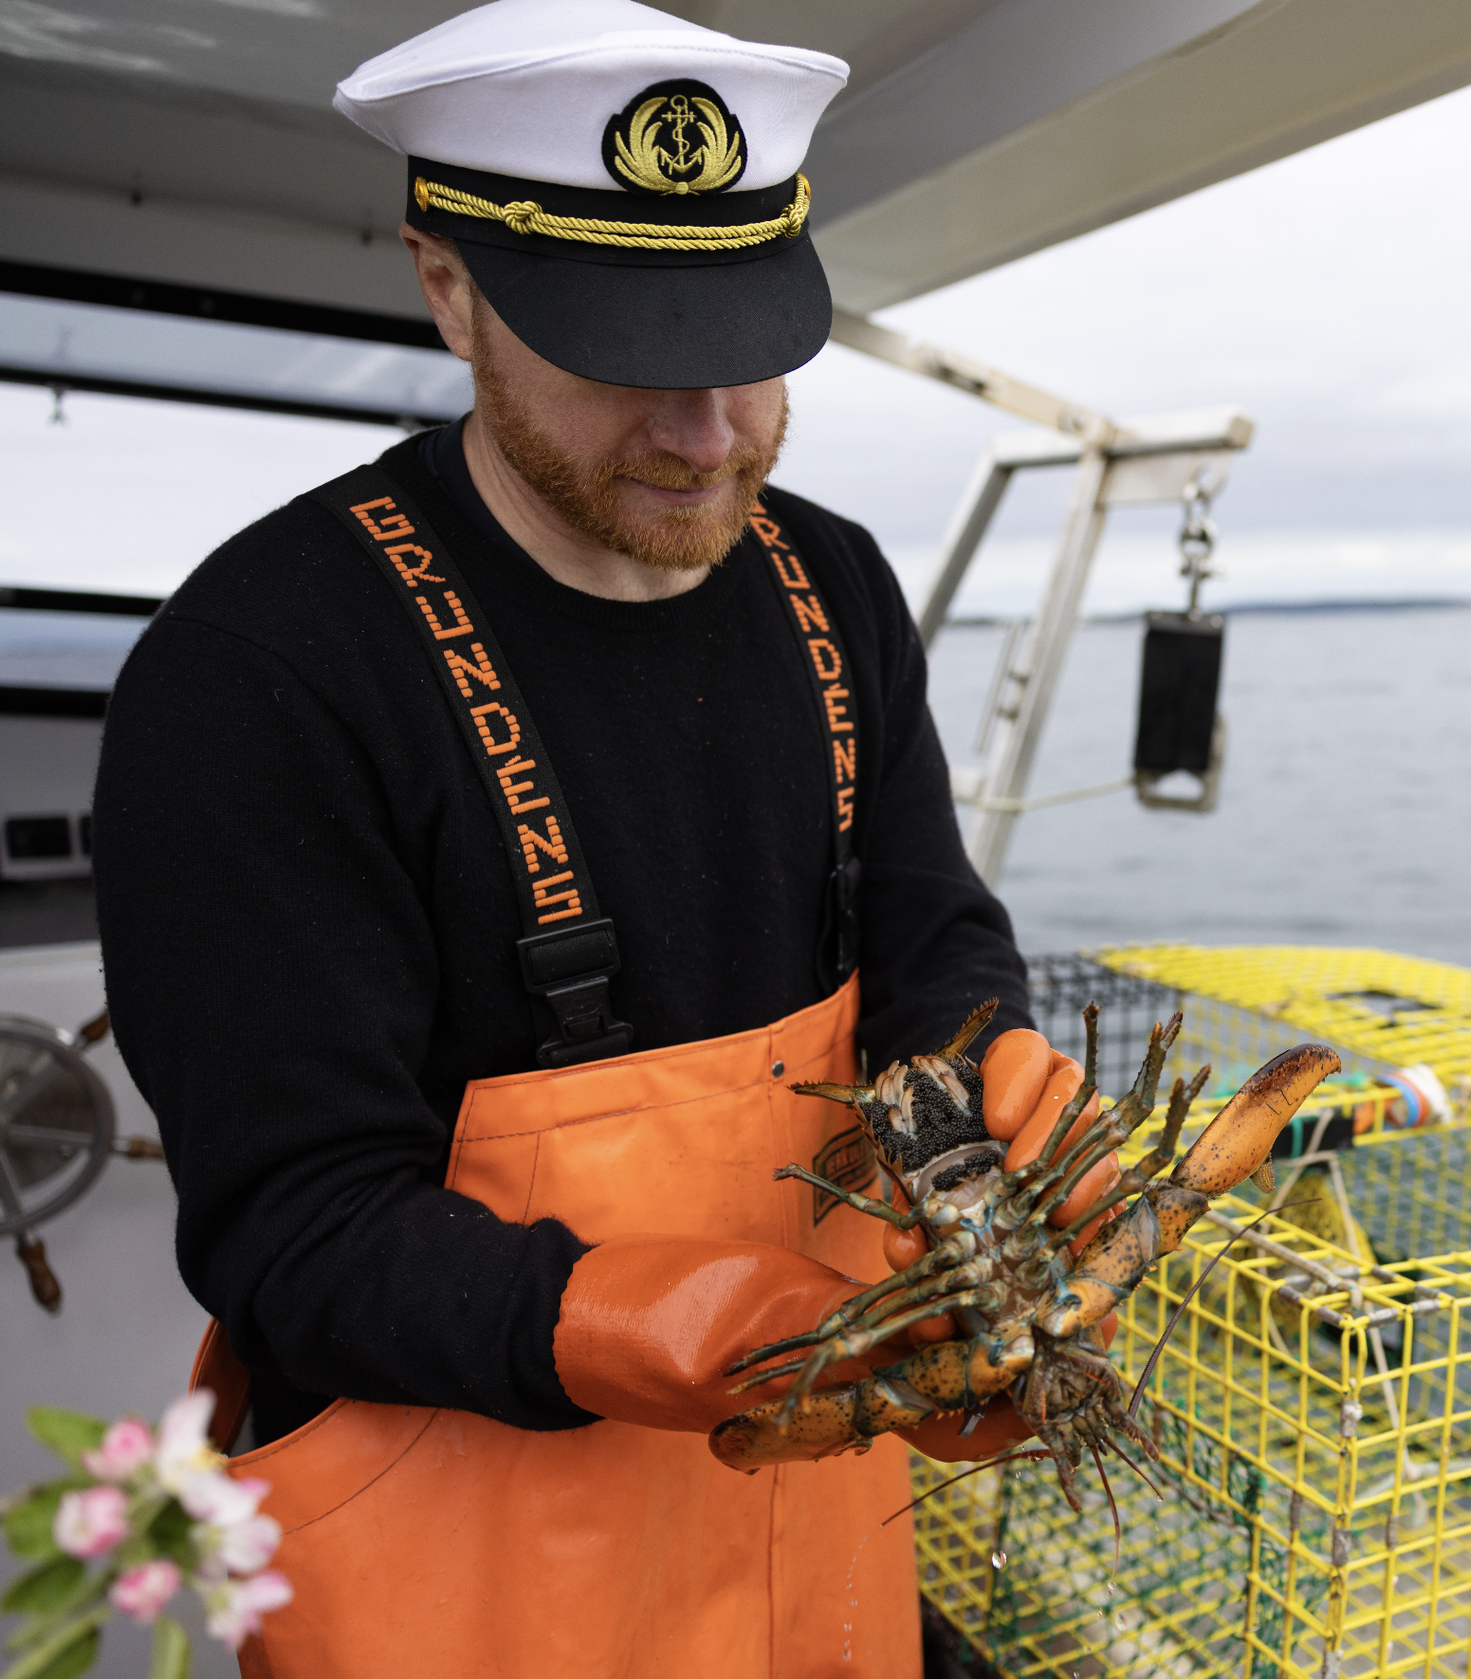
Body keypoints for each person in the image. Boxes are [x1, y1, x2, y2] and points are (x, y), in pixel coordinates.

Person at [89, 2, 1088, 1673]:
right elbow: (300, 1233)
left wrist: (991, 1091)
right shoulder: (258, 674)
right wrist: (676, 1321)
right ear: (451, 290)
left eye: (750, 341)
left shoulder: (832, 585)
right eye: (627, 349)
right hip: (464, 1588)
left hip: (804, 1543)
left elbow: (931, 933)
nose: (705, 430)